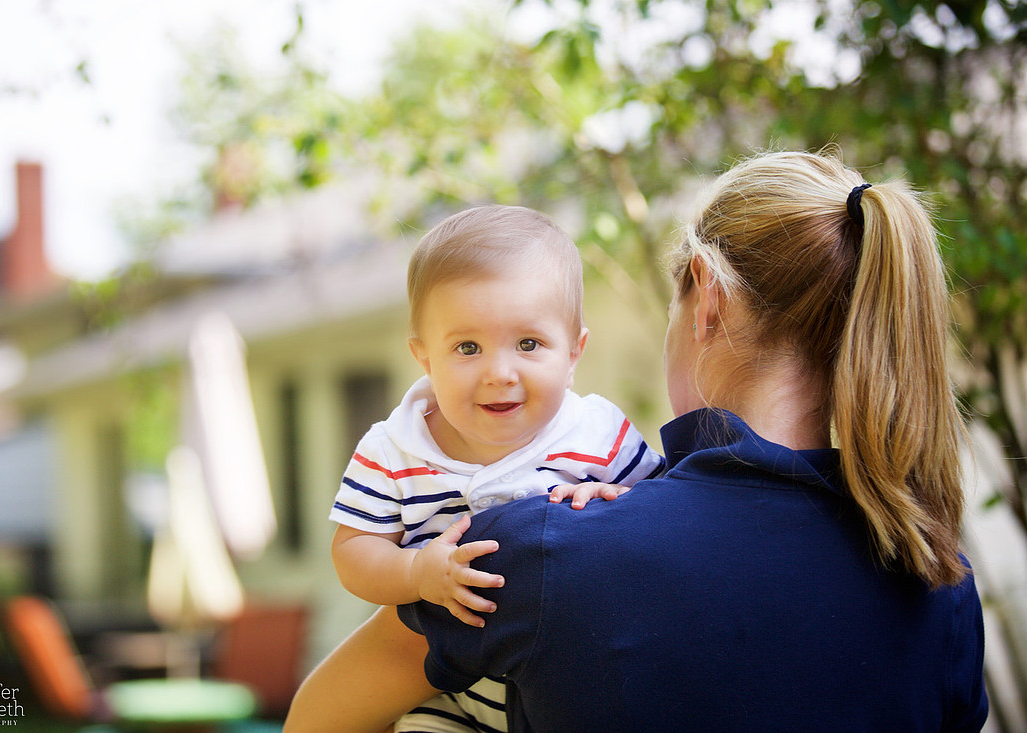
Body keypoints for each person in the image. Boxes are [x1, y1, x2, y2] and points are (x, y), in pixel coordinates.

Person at [284, 150, 988, 732]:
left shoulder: (536, 551)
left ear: (705, 298)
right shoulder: (939, 578)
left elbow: (316, 720)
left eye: (530, 341)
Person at [310, 204, 664, 732]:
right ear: (425, 357)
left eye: (528, 344)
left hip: (573, 693)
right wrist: (414, 573)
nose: (500, 373)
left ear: (573, 352)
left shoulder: (597, 435)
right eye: (468, 347)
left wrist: (616, 499)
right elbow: (352, 550)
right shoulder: (395, 449)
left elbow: (668, 511)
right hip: (446, 698)